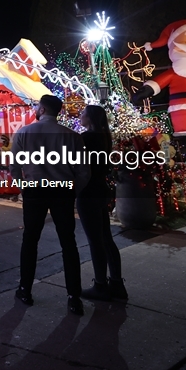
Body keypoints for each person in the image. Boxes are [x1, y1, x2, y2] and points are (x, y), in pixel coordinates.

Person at [10, 94, 89, 316]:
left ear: (42, 109)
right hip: (62, 189)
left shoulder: (24, 133)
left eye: (37, 106)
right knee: (68, 242)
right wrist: (73, 190)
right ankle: (74, 297)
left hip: (35, 189)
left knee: (30, 240)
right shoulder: (72, 136)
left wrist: (23, 187)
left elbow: (15, 167)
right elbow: (84, 171)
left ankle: (25, 289)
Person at [76, 105, 127, 302]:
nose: (80, 116)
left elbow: (79, 165)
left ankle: (100, 285)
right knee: (105, 237)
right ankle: (116, 283)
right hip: (100, 189)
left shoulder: (86, 138)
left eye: (83, 113)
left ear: (90, 118)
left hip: (88, 190)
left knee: (95, 240)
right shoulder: (104, 137)